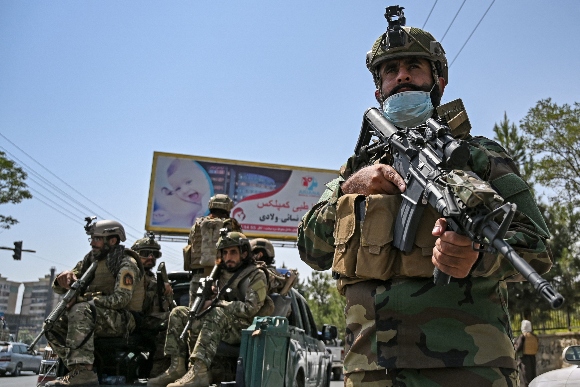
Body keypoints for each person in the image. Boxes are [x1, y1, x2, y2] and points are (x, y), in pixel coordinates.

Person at [297, 6, 552, 387]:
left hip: (469, 368)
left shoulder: (480, 155)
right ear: (378, 90)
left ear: (439, 82)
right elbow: (309, 249)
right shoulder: (357, 169)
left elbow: (536, 249)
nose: (401, 76)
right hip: (370, 371)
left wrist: (477, 257)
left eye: (414, 67)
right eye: (390, 70)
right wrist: (353, 188)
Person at [147, 230, 270, 387]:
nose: (228, 257)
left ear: (244, 253)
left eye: (233, 252)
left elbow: (250, 309)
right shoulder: (219, 273)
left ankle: (200, 372)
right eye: (225, 253)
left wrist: (218, 304)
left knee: (216, 313)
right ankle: (176, 367)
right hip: (220, 323)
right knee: (179, 313)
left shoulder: (256, 275)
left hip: (244, 329)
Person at [45, 219, 144, 387]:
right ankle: (76, 368)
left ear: (112, 241)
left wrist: (85, 300)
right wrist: (63, 278)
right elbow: (63, 285)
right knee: (52, 324)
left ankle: (84, 372)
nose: (92, 243)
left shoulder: (126, 263)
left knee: (80, 309)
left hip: (124, 319)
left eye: (97, 238)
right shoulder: (89, 261)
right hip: (96, 314)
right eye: (91, 238)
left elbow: (121, 300)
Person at [131, 233, 175, 378]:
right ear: (136, 255)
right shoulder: (132, 272)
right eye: (145, 253)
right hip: (134, 319)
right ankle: (158, 372)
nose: (151, 257)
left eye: (154, 254)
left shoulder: (151, 276)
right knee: (171, 321)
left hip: (147, 319)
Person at [183, 194, 242, 297]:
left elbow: (190, 247)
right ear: (228, 208)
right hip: (222, 278)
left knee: (195, 311)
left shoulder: (197, 225)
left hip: (198, 277)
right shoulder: (231, 225)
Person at [514, 320, 539, 386]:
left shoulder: (523, 336)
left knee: (526, 378)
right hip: (532, 358)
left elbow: (518, 347)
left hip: (524, 359)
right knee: (532, 376)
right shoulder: (534, 336)